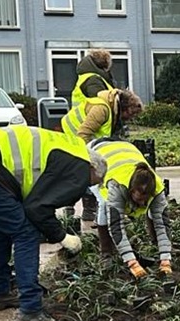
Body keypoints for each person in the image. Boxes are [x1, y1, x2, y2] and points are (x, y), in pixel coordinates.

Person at [0, 126, 107, 321]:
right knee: (25, 232)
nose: (87, 186)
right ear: (93, 169)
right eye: (93, 182)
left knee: (2, 229)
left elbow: (35, 198)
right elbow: (37, 208)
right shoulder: (78, 168)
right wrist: (62, 236)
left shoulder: (71, 150)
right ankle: (31, 311)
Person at [88, 139, 171, 278]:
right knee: (104, 205)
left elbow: (162, 224)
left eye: (146, 199)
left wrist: (166, 260)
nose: (142, 203)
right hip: (97, 156)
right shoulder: (117, 185)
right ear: (131, 191)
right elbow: (116, 226)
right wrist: (132, 263)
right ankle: (106, 254)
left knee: (155, 213)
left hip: (125, 148)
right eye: (138, 199)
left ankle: (156, 246)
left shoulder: (157, 188)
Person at [62, 87, 143, 222]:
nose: (130, 118)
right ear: (126, 108)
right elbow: (83, 133)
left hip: (89, 140)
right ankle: (74, 210)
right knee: (84, 172)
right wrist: (89, 154)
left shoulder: (113, 111)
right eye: (131, 114)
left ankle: (89, 210)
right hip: (74, 137)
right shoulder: (102, 109)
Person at [69, 48, 117, 220]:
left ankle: (77, 208)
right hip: (86, 131)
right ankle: (87, 208)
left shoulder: (89, 77)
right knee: (89, 169)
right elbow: (101, 102)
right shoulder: (93, 80)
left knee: (80, 169)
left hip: (82, 128)